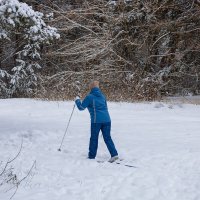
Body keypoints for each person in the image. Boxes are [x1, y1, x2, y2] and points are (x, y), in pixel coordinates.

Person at [75, 81, 118, 163]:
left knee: (94, 138)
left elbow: (81, 107)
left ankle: (91, 156)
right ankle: (114, 154)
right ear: (98, 88)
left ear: (91, 88)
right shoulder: (103, 96)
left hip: (96, 121)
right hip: (107, 120)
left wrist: (77, 100)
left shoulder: (89, 97)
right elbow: (105, 107)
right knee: (107, 138)